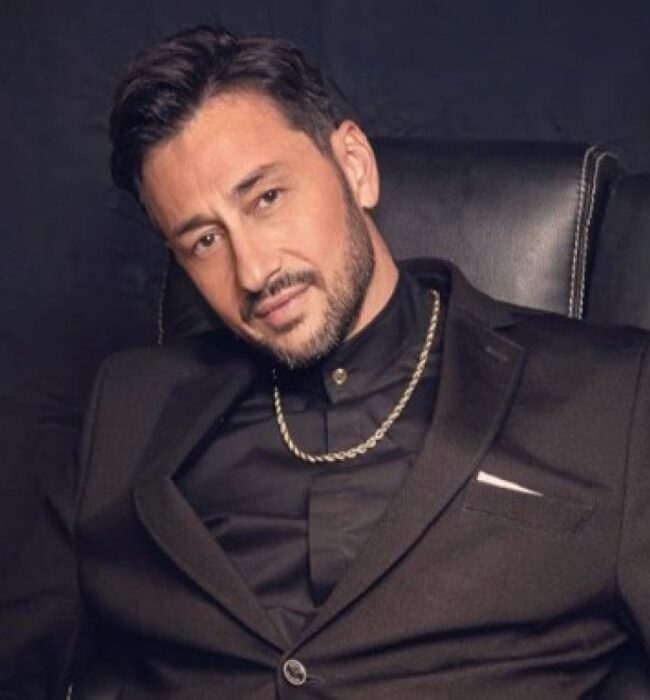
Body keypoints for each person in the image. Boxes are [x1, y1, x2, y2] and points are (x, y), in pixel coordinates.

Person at [1, 25, 650, 700]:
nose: (253, 271)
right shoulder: (129, 406)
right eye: (204, 241)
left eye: (266, 198)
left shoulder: (615, 397)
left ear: (354, 165)